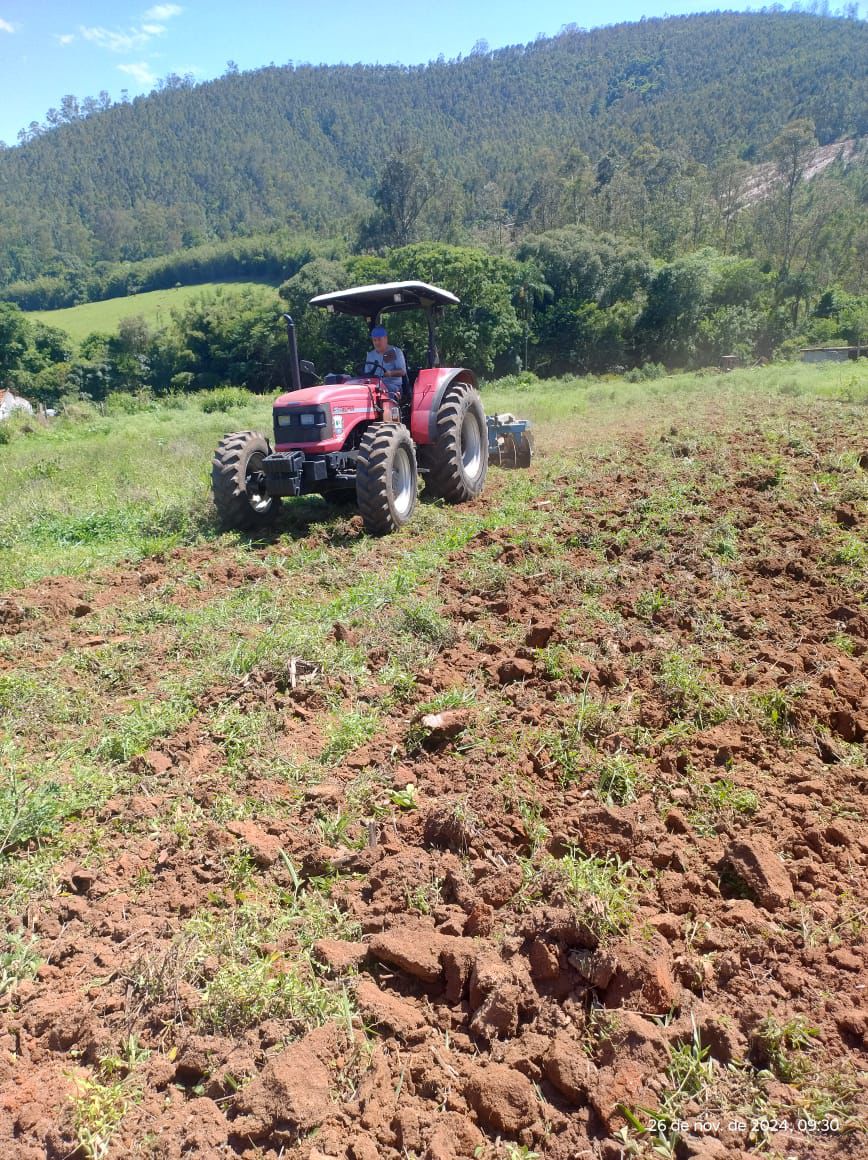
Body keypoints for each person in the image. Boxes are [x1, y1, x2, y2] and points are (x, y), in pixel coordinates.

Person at [364, 324, 407, 405]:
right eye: (374, 340)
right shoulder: (370, 355)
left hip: (392, 385)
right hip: (374, 385)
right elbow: (366, 373)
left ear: (386, 339)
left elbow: (403, 371)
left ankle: (389, 415)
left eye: (379, 339)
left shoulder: (395, 352)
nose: (377, 342)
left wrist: (390, 373)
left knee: (383, 390)